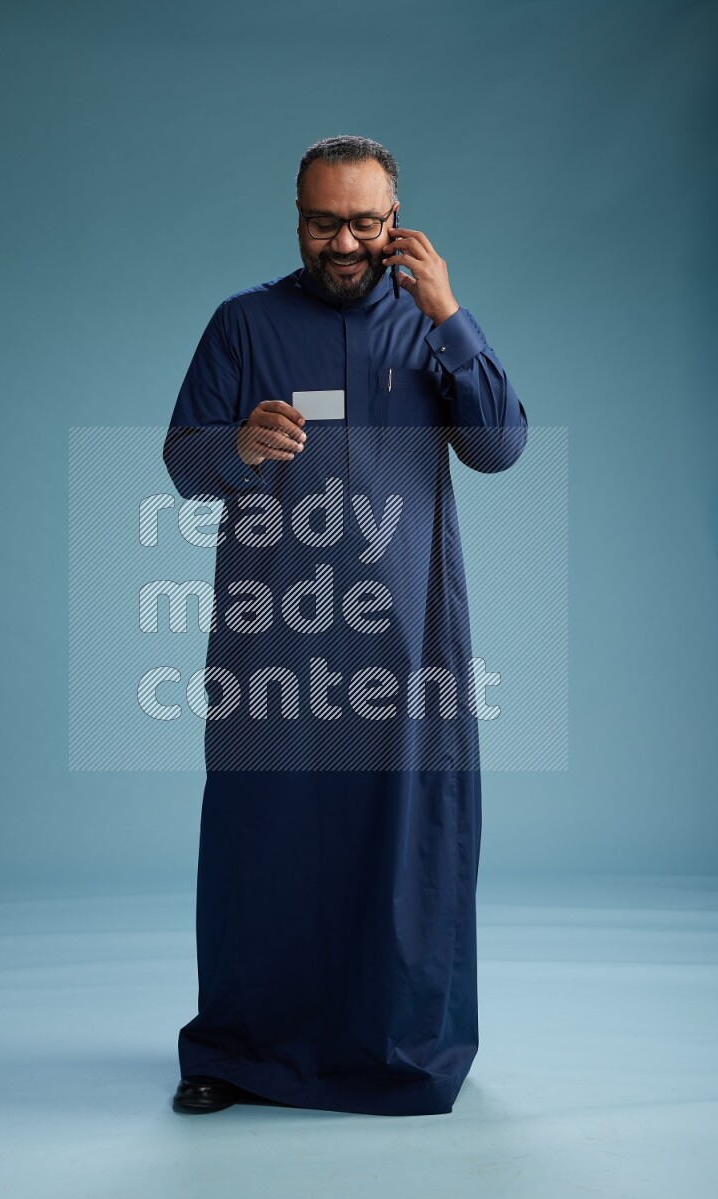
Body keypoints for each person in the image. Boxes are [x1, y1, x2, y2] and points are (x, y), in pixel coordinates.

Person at [163, 134, 528, 1117]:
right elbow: (183, 459)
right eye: (324, 221)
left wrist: (448, 312)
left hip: (404, 646)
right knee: (259, 838)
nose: (344, 241)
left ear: (395, 220)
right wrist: (234, 442)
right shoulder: (244, 325)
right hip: (271, 635)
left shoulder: (425, 330)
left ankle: (399, 1047)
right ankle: (237, 1051)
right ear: (297, 218)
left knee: (405, 839)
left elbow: (498, 444)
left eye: (364, 222)